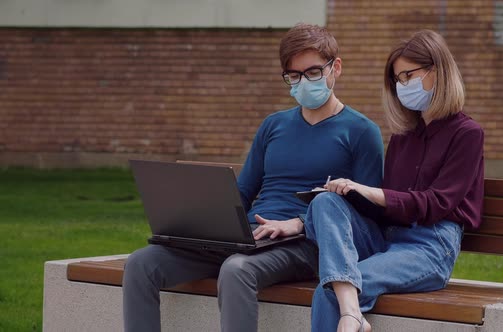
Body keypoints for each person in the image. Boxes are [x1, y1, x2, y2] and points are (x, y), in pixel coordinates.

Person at [121, 23, 384, 332]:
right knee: (141, 263)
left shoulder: (362, 132)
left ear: (335, 68)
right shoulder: (274, 125)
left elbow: (367, 215)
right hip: (252, 237)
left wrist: (299, 221)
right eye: (294, 76)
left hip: (306, 244)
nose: (303, 82)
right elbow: (244, 191)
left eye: (312, 72)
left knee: (236, 269)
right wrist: (202, 220)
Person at [303, 29, 485, 332]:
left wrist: (371, 191)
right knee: (326, 201)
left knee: (330, 291)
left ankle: (349, 311)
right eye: (398, 80)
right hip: (387, 237)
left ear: (437, 70)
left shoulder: (467, 134)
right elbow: (386, 208)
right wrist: (349, 193)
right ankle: (352, 314)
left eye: (408, 75)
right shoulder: (403, 138)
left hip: (430, 246)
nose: (403, 85)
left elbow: (437, 202)